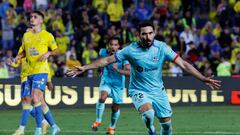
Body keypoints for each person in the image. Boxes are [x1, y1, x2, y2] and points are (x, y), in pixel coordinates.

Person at [67, 21, 221, 135]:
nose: (147, 37)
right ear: (139, 35)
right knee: (148, 113)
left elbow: (183, 64)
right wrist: (84, 67)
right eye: (144, 34)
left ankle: (157, 129)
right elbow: (107, 60)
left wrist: (203, 78)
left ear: (154, 33)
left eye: (150, 33)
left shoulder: (162, 48)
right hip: (138, 89)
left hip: (158, 91)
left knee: (167, 126)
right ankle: (150, 129)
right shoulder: (131, 50)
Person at [15, 10, 60, 135]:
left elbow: (56, 51)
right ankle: (52, 126)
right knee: (34, 100)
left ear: (41, 20)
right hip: (29, 72)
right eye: (31, 17)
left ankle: (38, 129)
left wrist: (48, 53)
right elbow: (24, 51)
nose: (32, 18)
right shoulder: (26, 36)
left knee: (35, 98)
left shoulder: (47, 35)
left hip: (41, 71)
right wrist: (19, 57)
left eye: (35, 17)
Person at [91, 37, 130, 135]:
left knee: (115, 107)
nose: (113, 47)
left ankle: (112, 128)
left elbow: (129, 72)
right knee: (102, 97)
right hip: (106, 81)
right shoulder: (102, 52)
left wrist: (118, 70)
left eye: (115, 45)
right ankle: (98, 121)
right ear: (108, 45)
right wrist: (101, 69)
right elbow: (99, 62)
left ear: (118, 46)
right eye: (111, 44)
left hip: (118, 84)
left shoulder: (123, 56)